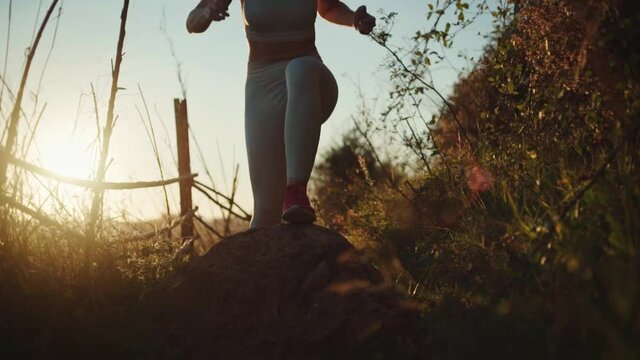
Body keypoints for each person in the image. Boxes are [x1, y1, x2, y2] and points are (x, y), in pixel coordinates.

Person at [187, 0, 376, 229]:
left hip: (310, 83)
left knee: (300, 68)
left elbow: (328, 8)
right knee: (266, 211)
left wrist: (355, 19)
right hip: (263, 85)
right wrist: (209, 11)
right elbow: (192, 22)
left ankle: (296, 192)